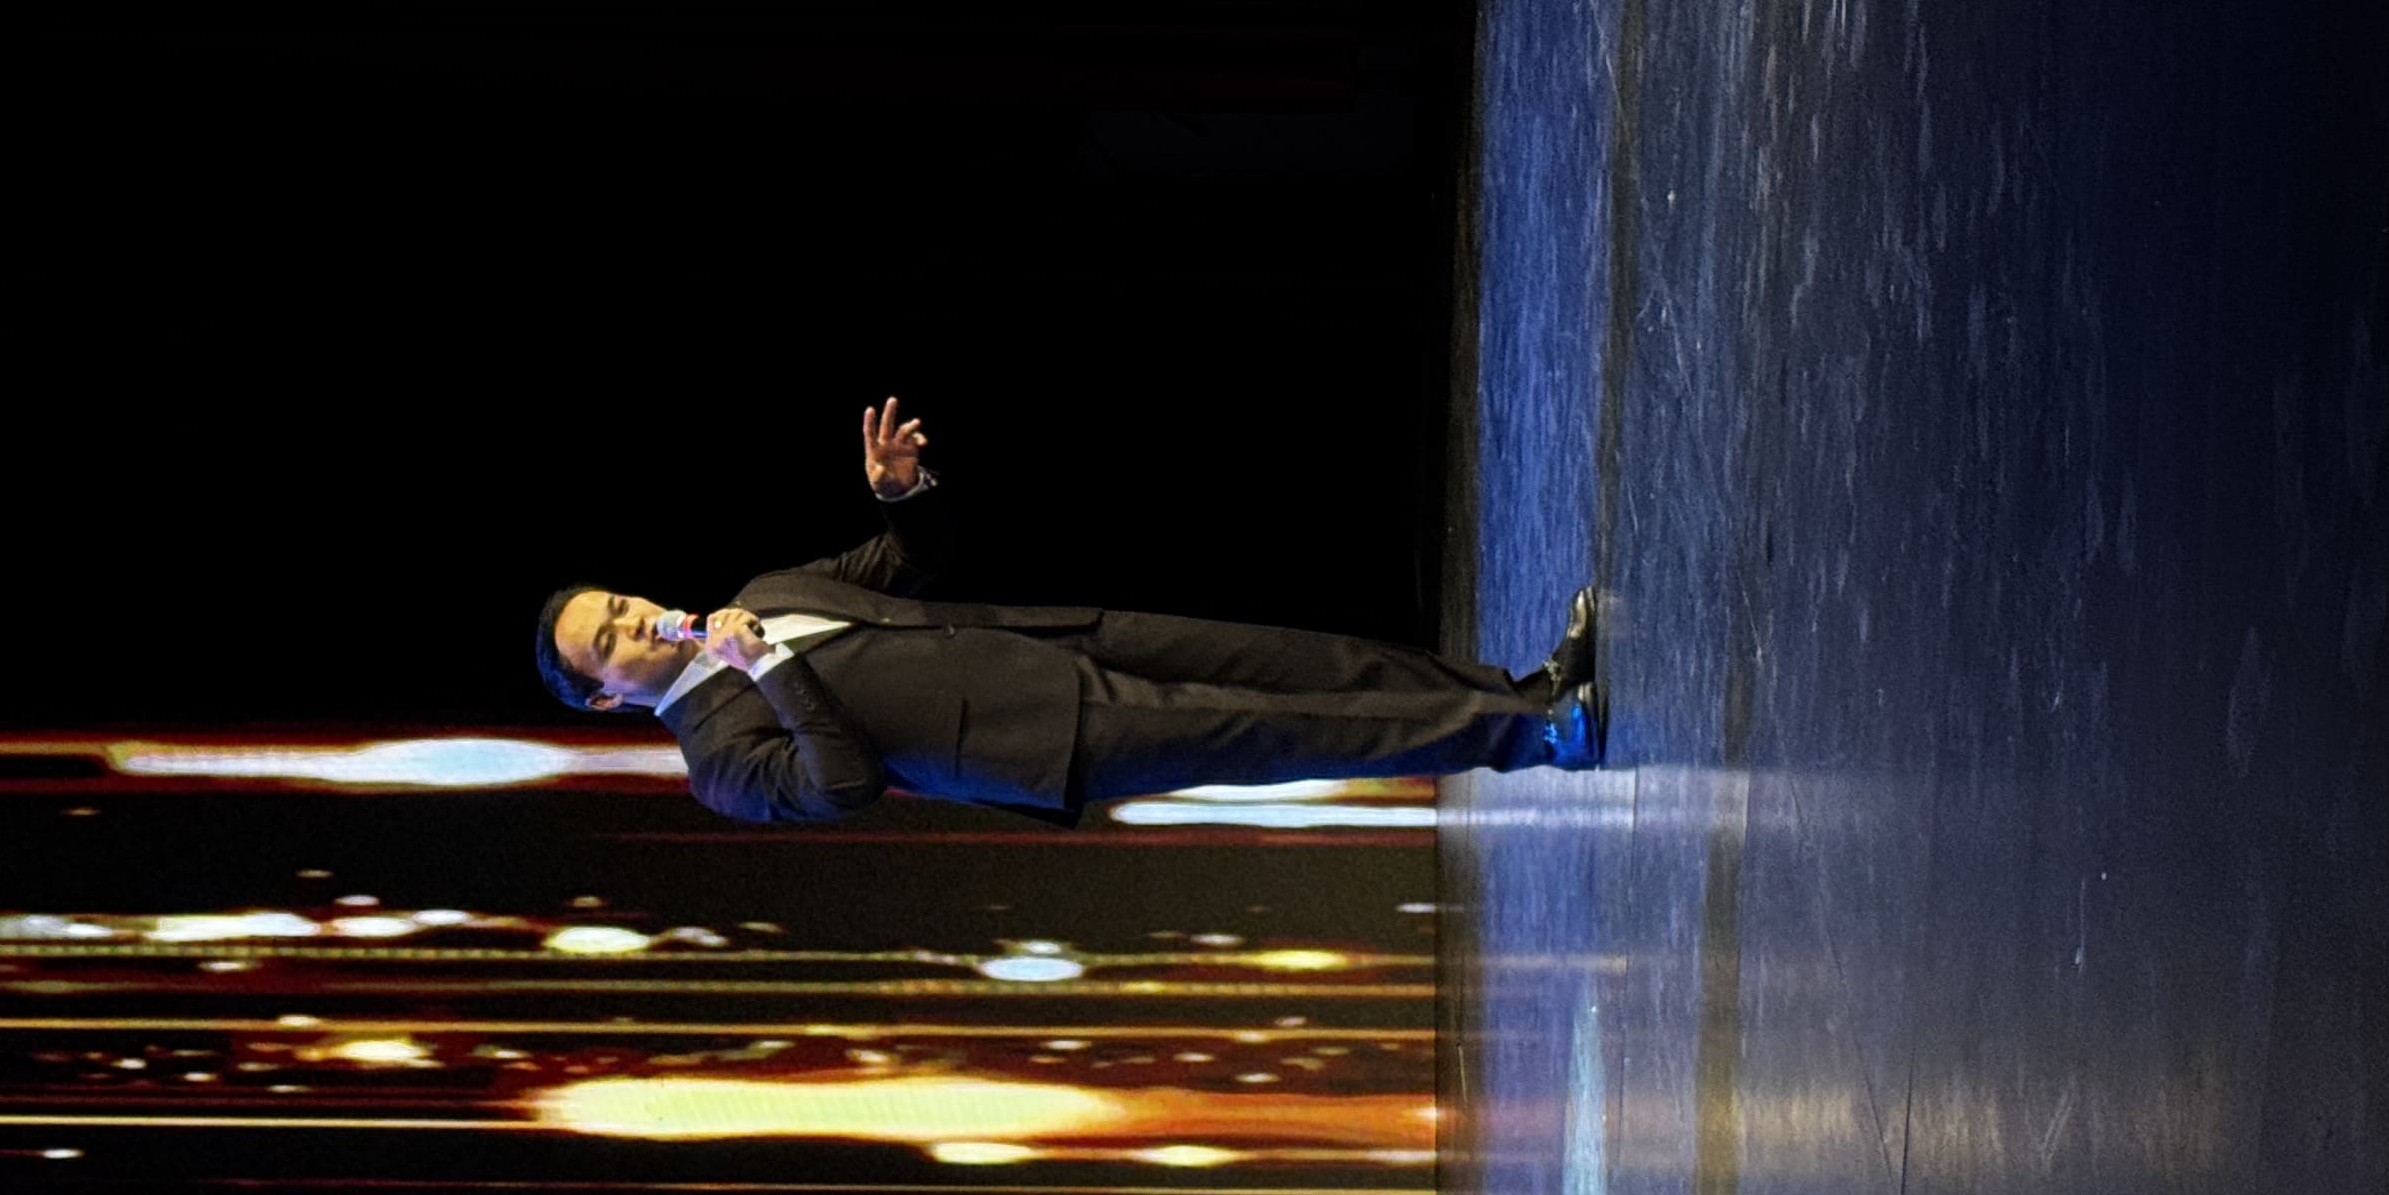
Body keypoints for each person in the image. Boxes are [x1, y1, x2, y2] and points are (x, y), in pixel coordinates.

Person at [528, 399, 1607, 826]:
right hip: (1046, 738)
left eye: (620, 604)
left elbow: (911, 563)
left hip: (1052, 641)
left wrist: (901, 495)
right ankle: (1536, 737)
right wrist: (765, 670)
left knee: (1304, 664)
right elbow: (841, 785)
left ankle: (1526, 689)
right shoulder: (718, 761)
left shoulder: (762, 594)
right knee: (1291, 730)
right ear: (606, 697)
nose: (636, 621)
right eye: (610, 642)